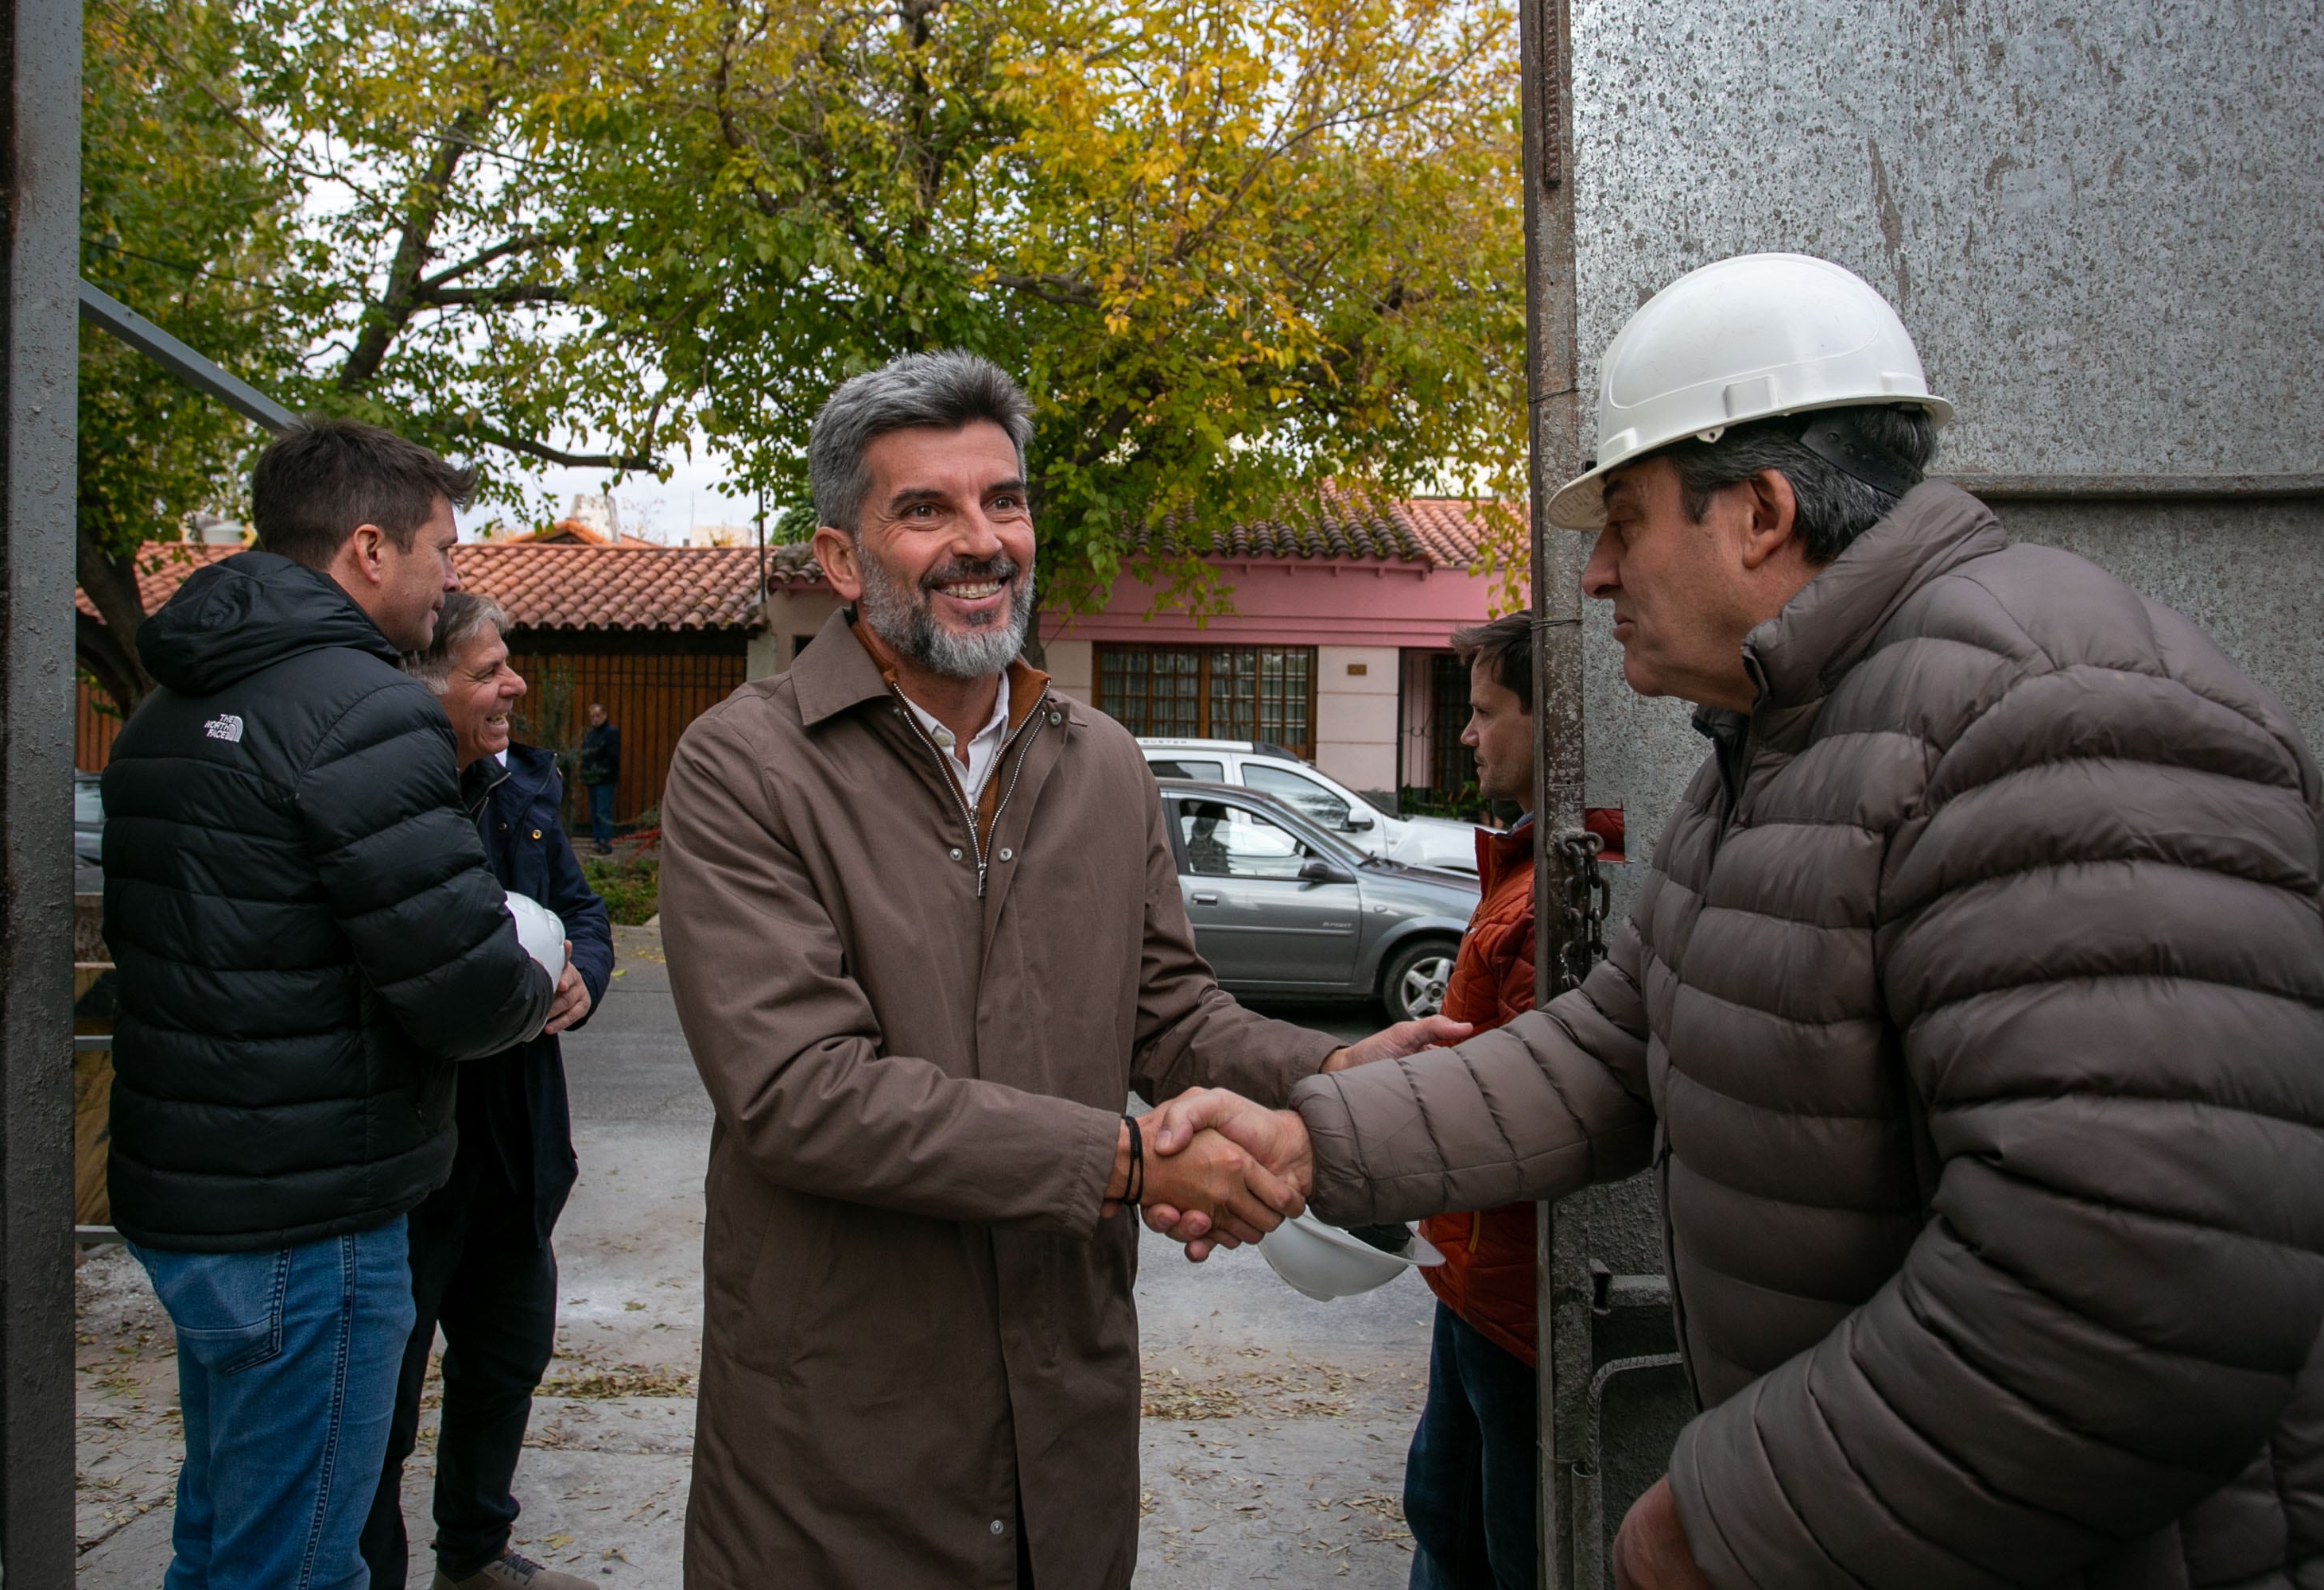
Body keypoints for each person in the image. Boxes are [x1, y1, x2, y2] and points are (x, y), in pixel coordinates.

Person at [1144, 253, 2324, 1588]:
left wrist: (1720, 1520)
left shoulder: (2059, 725)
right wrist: (1309, 1143)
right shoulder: (1777, 752)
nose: (1591, 579)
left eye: (1623, 523)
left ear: (1759, 512)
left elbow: (2130, 1297)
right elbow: (1606, 1053)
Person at [656, 350, 1461, 1589]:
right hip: (841, 1428)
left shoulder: (1100, 761)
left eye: (1005, 501)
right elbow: (802, 1096)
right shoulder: (745, 767)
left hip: (1063, 1400)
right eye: (925, 510)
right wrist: (1132, 1163)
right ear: (838, 561)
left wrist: (1338, 1068)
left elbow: (1168, 1012)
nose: (983, 542)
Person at [103, 418, 561, 1590]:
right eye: (441, 550)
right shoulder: (364, 708)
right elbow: (460, 986)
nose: (449, 577)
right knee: (303, 1561)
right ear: (368, 549)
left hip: (192, 1201)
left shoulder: (167, 708)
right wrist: (537, 982)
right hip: (311, 1216)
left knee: (218, 1538)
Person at [362, 592, 616, 1590]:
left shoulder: (519, 789)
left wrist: (584, 973)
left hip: (517, 1136)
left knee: (507, 1351)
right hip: (412, 1149)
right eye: (487, 670)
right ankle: (368, 1566)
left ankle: (473, 1553)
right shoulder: (387, 802)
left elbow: (582, 911)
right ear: (421, 688)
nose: (513, 685)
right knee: (381, 1389)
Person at [1401, 612, 1623, 1590]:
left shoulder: (1551, 905)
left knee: (1499, 1547)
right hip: (1474, 1280)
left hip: (1510, 1299)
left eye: (1486, 711)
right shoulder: (1532, 876)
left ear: (1548, 722)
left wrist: (1368, 1132)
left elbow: (1531, 1113)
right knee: (1444, 1515)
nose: (1467, 732)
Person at [578, 702, 620, 853]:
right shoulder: (591, 734)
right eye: (592, 717)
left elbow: (613, 756)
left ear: (604, 715)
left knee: (603, 811)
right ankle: (597, 840)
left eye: (597, 716)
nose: (595, 719)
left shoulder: (611, 733)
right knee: (594, 811)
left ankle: (606, 842)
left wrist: (599, 770)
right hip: (592, 779)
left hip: (605, 779)